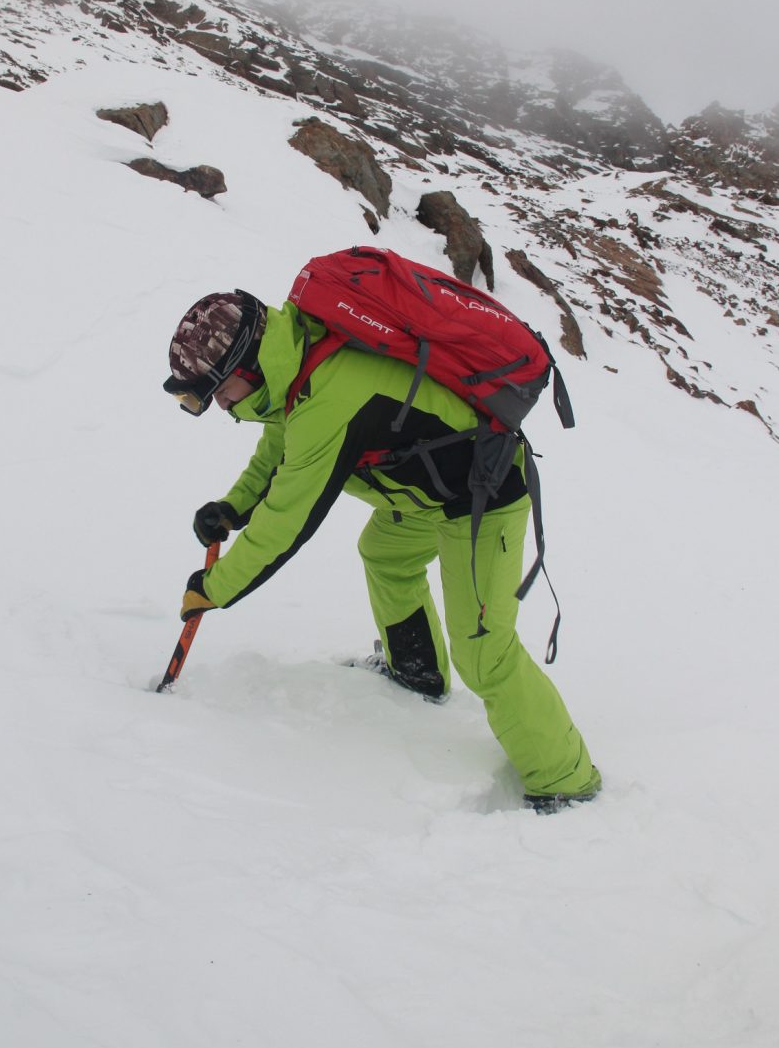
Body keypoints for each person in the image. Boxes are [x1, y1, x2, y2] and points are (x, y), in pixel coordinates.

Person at [164, 286, 601, 811]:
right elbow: (280, 444)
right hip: (426, 495)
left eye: (213, 391)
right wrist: (234, 506)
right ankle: (418, 672)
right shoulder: (299, 357)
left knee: (484, 650)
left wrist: (214, 589)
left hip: (482, 496)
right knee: (385, 553)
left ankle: (565, 778)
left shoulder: (331, 395)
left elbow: (286, 524)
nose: (216, 405)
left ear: (248, 365)